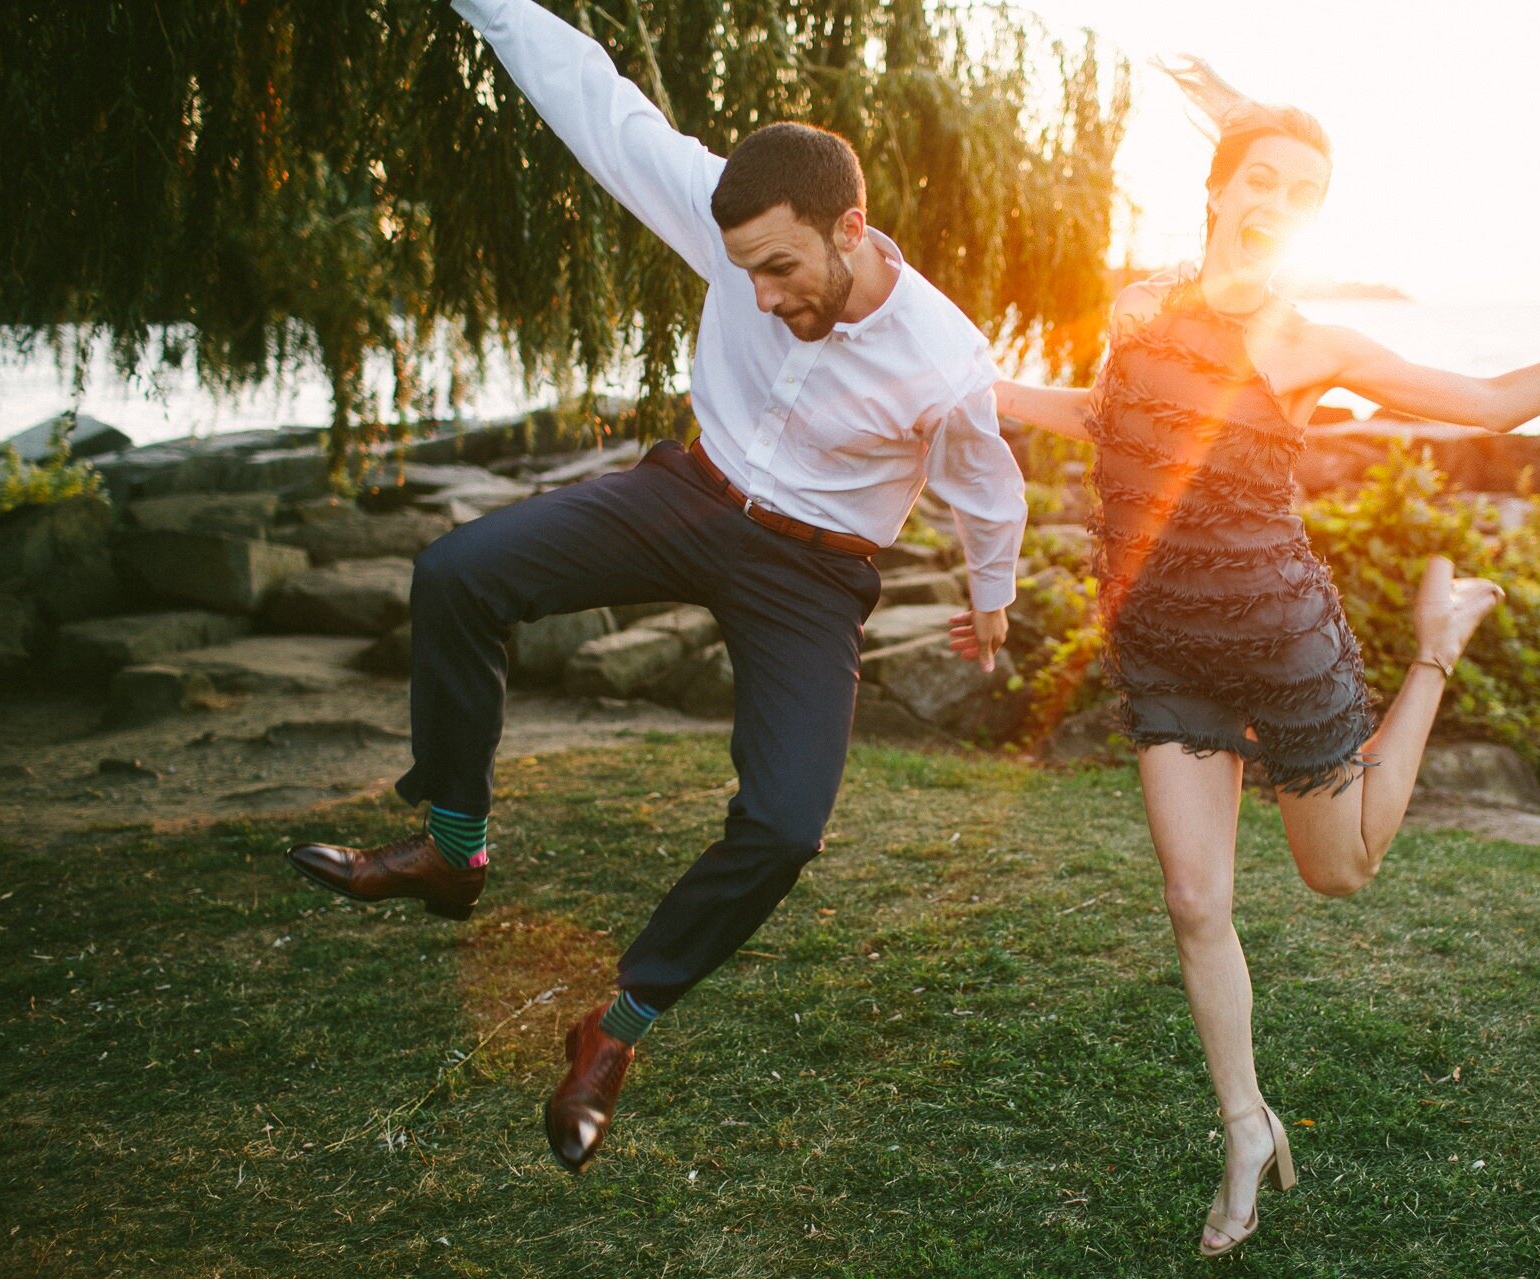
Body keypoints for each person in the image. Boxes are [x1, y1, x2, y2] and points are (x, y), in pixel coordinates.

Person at [987, 56, 1540, 1257]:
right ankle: (1244, 1123)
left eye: (1303, 191)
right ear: (1220, 192)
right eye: (1260, 178)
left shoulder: (1305, 340)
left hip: (1283, 638)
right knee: (1194, 897)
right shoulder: (1136, 307)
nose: (1276, 201)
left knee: (1341, 873)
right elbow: (1102, 417)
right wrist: (972, 385)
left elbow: (1488, 400)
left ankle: (1433, 650)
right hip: (1166, 643)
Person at [286, 0, 1026, 1174]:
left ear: (851, 228)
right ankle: (451, 847)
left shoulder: (942, 356)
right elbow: (592, 98)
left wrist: (994, 591)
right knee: (454, 575)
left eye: (785, 268)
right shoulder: (723, 210)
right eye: (748, 274)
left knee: (784, 825)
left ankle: (614, 1027)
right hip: (688, 495)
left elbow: (988, 483)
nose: (768, 296)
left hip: (812, 571)